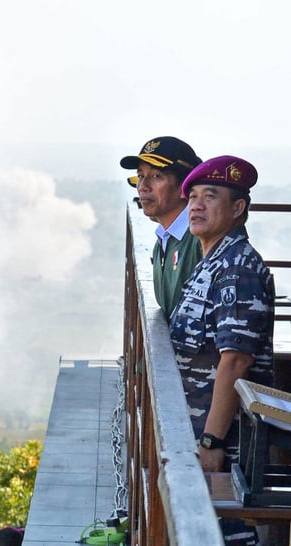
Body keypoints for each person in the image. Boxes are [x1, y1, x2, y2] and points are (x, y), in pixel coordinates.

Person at [169, 155, 274, 546]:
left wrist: (212, 442)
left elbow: (236, 360)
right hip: (198, 434)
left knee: (224, 536)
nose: (196, 205)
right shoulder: (211, 261)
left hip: (222, 444)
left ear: (237, 208)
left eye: (209, 196)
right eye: (193, 196)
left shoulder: (237, 269)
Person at [120, 137, 203, 321]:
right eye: (141, 176)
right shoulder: (164, 242)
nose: (142, 187)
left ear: (184, 186)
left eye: (156, 176)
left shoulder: (201, 240)